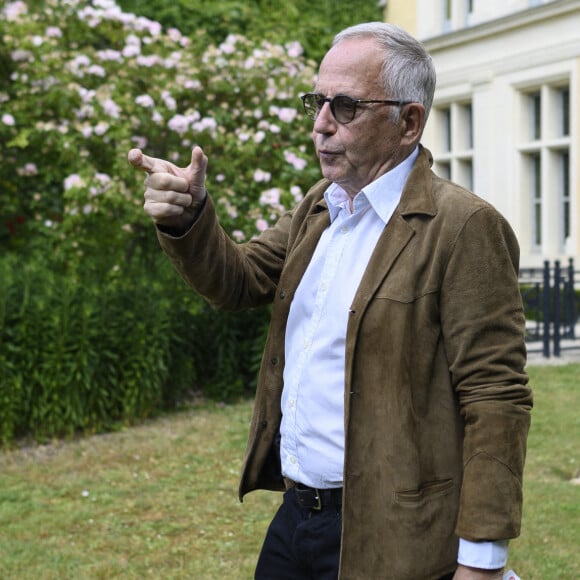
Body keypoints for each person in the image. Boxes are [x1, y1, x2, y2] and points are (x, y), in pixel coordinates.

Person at [128, 21, 532, 580]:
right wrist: (190, 216)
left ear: (408, 121)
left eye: (344, 106)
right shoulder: (322, 205)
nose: (319, 125)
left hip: (395, 534)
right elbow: (239, 279)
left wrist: (482, 560)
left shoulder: (463, 227)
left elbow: (497, 396)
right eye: (317, 102)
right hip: (297, 519)